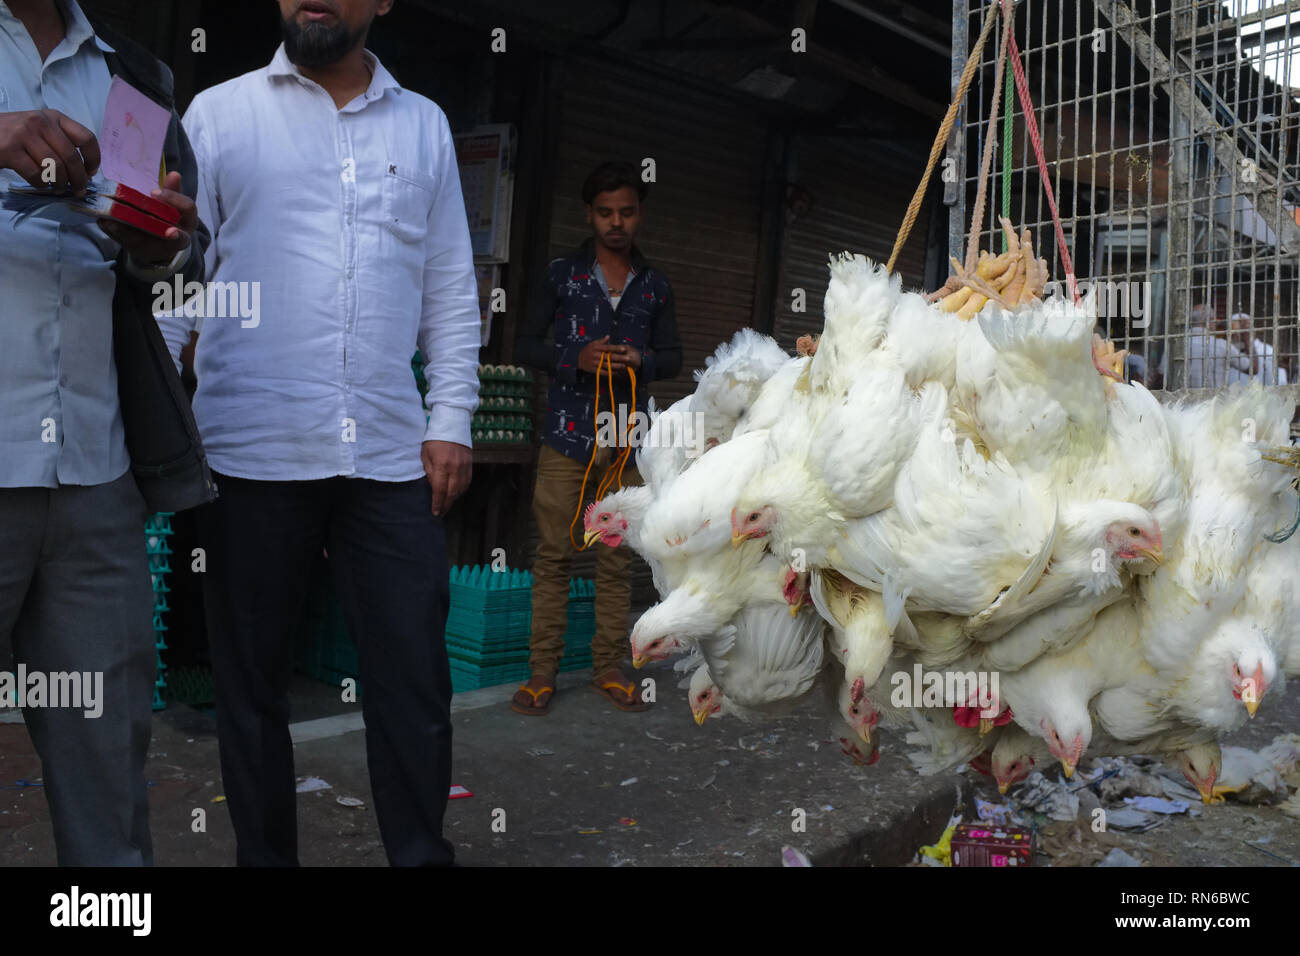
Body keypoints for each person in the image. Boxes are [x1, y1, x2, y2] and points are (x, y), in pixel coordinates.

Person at [156, 0, 480, 866]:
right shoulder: (220, 115)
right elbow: (178, 274)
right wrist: (153, 425)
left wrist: (451, 419)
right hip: (249, 449)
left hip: (386, 454)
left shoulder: (424, 127)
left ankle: (419, 854)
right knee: (251, 688)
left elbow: (450, 281)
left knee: (413, 678)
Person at [0, 0, 211, 865]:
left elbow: (177, 263)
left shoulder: (136, 74)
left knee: (106, 765)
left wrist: (159, 239)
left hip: (96, 475)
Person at [513, 161, 681, 716]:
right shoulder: (562, 274)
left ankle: (608, 668)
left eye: (627, 212)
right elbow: (523, 345)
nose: (616, 223)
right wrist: (574, 357)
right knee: (555, 556)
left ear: (640, 215)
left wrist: (645, 359)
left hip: (627, 442)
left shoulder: (655, 285)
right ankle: (542, 673)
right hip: (566, 439)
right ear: (590, 214)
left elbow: (675, 356)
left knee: (615, 564)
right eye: (606, 213)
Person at [1229, 312, 1288, 386]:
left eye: (1241, 332)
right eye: (1234, 332)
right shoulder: (1229, 352)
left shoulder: (1268, 351)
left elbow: (1280, 383)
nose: (1237, 336)